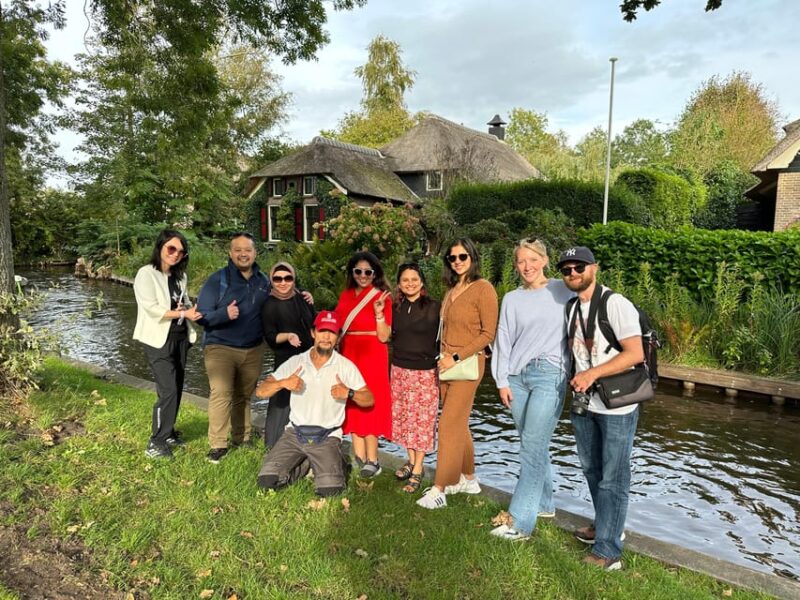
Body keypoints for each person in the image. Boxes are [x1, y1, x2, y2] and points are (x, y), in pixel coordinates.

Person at [558, 245, 644, 571]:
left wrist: (592, 373)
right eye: (566, 270)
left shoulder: (615, 304)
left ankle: (608, 551)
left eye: (579, 267)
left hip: (617, 407)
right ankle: (604, 523)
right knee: (592, 470)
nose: (573, 274)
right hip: (585, 403)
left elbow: (635, 353)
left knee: (614, 478)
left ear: (594, 268)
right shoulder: (571, 308)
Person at [489, 238, 574, 540]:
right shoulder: (511, 298)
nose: (527, 266)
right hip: (517, 379)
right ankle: (545, 505)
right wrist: (500, 380)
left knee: (532, 448)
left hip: (550, 375)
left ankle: (520, 522)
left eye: (532, 260)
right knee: (533, 443)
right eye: (521, 261)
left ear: (545, 260)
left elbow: (590, 311)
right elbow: (503, 340)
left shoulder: (563, 291)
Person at [254, 311, 373, 497]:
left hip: (327, 435)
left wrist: (348, 393)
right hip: (294, 433)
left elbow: (369, 399)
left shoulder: (345, 366)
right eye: (322, 330)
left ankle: (335, 463)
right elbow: (261, 390)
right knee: (267, 482)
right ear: (313, 333)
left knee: (330, 491)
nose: (326, 336)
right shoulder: (296, 361)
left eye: (332, 332)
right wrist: (283, 383)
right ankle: (308, 463)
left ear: (338, 337)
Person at [417, 238, 498, 510]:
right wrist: (443, 358)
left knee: (448, 424)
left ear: (472, 257)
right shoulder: (452, 289)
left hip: (466, 365)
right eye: (452, 258)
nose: (458, 262)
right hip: (446, 365)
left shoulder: (483, 289)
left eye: (463, 256)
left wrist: (455, 357)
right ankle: (469, 479)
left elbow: (488, 334)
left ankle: (441, 487)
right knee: (459, 424)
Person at [196, 232, 272, 464]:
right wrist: (223, 314)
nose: (242, 254)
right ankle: (218, 444)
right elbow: (200, 315)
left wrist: (304, 295)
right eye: (237, 250)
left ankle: (242, 437)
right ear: (230, 253)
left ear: (254, 253)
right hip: (221, 347)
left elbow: (282, 296)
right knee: (221, 393)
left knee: (244, 396)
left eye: (247, 250)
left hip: (253, 348)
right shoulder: (217, 280)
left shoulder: (263, 281)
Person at [133, 229, 203, 459]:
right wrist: (181, 313)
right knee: (168, 389)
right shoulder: (146, 274)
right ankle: (156, 442)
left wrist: (189, 310)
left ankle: (169, 431)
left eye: (181, 252)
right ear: (160, 247)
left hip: (181, 337)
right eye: (171, 248)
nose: (175, 254)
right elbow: (150, 308)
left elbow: (183, 303)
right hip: (157, 339)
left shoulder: (180, 276)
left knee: (177, 385)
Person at [334, 251, 392, 478]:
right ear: (352, 272)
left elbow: (384, 336)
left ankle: (373, 460)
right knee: (353, 400)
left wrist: (379, 314)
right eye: (358, 271)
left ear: (375, 273)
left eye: (368, 271)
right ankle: (359, 458)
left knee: (370, 401)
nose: (363, 275)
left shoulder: (382, 296)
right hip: (349, 352)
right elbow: (337, 323)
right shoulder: (346, 295)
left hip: (373, 354)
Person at [390, 263, 441, 494]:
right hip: (399, 371)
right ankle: (410, 460)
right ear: (399, 284)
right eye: (405, 280)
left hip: (425, 373)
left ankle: (418, 469)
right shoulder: (394, 308)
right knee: (404, 420)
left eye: (414, 278)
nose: (410, 283)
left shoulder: (435, 307)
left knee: (422, 421)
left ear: (422, 281)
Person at [261, 261, 316, 448]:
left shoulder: (301, 297)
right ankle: (272, 443)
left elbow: (313, 323)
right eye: (277, 279)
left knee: (305, 397)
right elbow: (269, 337)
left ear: (293, 279)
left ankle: (302, 441)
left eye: (287, 278)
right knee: (281, 401)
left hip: (308, 356)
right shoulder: (269, 304)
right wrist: (288, 336)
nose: (283, 282)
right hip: (286, 358)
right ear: (272, 281)